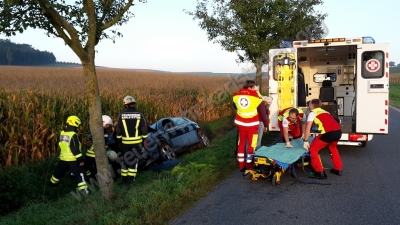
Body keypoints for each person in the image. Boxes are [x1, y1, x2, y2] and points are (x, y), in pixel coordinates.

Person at [302, 99, 343, 179]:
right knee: (333, 148)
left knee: (313, 149)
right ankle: (338, 169)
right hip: (338, 132)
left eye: (309, 104)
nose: (308, 105)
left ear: (313, 105)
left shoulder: (313, 113)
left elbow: (308, 127)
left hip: (328, 133)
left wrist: (306, 140)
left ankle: (319, 172)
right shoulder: (325, 111)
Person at [50, 115, 89, 195]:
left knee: (58, 173)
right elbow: (74, 149)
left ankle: (51, 186)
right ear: (75, 124)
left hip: (63, 159)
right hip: (72, 160)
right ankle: (84, 191)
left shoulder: (62, 133)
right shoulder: (73, 135)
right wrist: (81, 160)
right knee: (79, 174)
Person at [116, 95, 148, 184]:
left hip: (125, 144)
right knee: (134, 161)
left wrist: (119, 142)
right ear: (134, 104)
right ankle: (131, 180)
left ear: (126, 105)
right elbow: (144, 129)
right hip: (137, 144)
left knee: (125, 161)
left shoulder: (121, 115)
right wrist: (145, 141)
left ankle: (123, 180)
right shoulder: (140, 114)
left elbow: (118, 130)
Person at [232, 80, 263, 171]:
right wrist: (257, 91)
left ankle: (241, 165)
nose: (255, 89)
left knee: (241, 144)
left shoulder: (236, 96)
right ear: (250, 87)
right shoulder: (255, 97)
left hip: (241, 125)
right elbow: (261, 98)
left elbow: (236, 105)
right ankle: (249, 165)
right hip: (252, 126)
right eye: (254, 87)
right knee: (251, 145)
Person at [83, 115, 114, 180]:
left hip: (97, 154)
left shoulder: (101, 130)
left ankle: (93, 180)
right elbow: (89, 141)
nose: (108, 126)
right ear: (104, 122)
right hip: (93, 155)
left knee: (92, 169)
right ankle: (90, 180)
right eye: (107, 125)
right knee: (88, 169)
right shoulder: (98, 130)